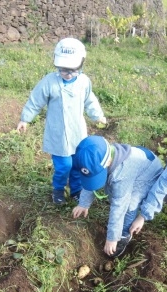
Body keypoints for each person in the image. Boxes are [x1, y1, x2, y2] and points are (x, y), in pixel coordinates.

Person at [16, 38, 106, 205]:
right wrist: (25, 119)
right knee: (63, 166)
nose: (68, 74)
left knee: (77, 165)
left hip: (78, 132)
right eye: (64, 70)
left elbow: (90, 100)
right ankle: (58, 189)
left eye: (73, 70)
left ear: (81, 64)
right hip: (58, 134)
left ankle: (76, 190)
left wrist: (97, 116)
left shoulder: (84, 82)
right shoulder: (50, 82)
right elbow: (36, 100)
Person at [72, 135, 163, 258]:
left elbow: (119, 206)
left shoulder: (122, 175)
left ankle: (124, 235)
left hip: (148, 175)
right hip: (137, 164)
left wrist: (112, 238)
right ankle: (117, 230)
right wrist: (83, 203)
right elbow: (90, 177)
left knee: (130, 203)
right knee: (114, 190)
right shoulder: (100, 157)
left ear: (109, 161)